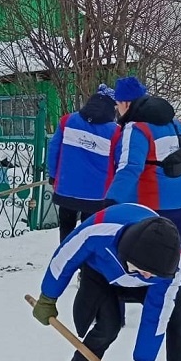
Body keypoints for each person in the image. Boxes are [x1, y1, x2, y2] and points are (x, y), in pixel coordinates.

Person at [31, 203, 181, 361]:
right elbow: (65, 257)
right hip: (101, 274)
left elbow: (156, 317)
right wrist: (48, 296)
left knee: (178, 319)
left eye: (153, 274)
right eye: (145, 271)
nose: (148, 276)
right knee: (107, 328)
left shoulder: (170, 265)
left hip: (144, 284)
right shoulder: (99, 231)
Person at [103, 76, 181, 331]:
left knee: (127, 252)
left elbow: (129, 168)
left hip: (152, 204)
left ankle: (115, 316)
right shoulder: (176, 124)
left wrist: (111, 202)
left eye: (117, 104)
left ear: (124, 103)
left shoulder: (136, 128)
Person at [47, 84, 118, 242]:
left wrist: (53, 176)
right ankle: (87, 265)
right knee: (90, 232)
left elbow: (53, 151)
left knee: (66, 227)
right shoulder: (115, 132)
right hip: (97, 194)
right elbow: (119, 163)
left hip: (66, 188)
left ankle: (65, 260)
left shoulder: (67, 121)